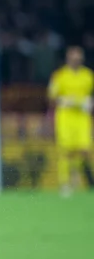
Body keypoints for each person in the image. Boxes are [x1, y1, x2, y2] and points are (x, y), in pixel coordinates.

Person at [48, 46, 94, 197]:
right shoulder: (60, 75)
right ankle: (65, 183)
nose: (76, 60)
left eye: (78, 58)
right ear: (68, 59)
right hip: (65, 117)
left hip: (82, 117)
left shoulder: (88, 75)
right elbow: (52, 96)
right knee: (65, 151)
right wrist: (63, 100)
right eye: (73, 57)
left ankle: (74, 174)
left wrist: (89, 102)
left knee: (84, 149)